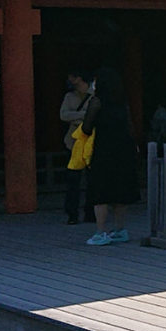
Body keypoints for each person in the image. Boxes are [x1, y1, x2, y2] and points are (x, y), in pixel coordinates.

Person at [82, 67, 140, 246]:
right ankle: (120, 229)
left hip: (104, 150)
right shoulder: (123, 103)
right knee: (120, 191)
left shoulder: (96, 101)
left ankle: (101, 232)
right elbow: (131, 128)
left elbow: (86, 127)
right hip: (124, 150)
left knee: (100, 192)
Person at [60, 70, 93, 224]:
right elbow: (63, 115)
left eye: (71, 77)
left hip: (91, 142)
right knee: (73, 180)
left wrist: (76, 117)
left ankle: (91, 212)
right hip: (73, 143)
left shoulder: (95, 95)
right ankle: (72, 213)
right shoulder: (69, 97)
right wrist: (85, 116)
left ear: (78, 78)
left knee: (93, 180)